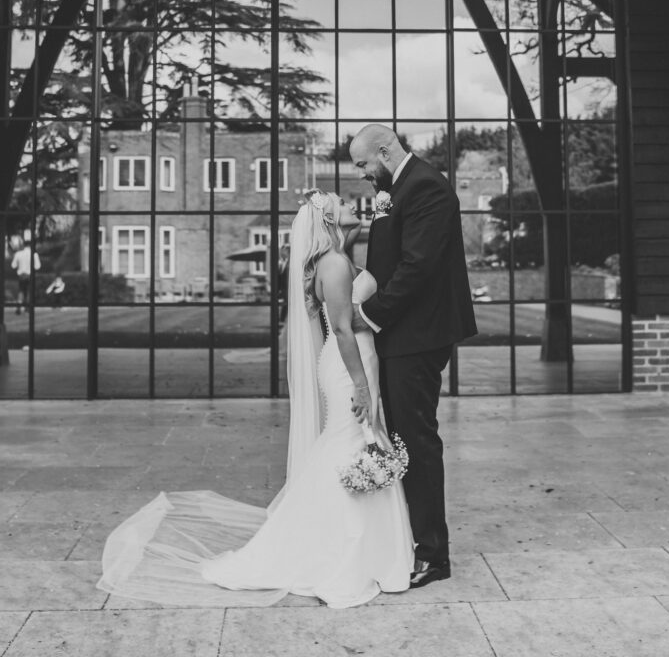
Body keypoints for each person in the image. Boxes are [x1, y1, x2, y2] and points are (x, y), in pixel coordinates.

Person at [98, 189, 413, 608]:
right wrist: (359, 384)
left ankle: (354, 544)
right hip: (346, 364)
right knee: (349, 443)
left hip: (354, 359)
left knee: (359, 441)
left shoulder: (337, 254)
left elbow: (354, 247)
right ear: (328, 221)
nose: (350, 203)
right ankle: (334, 548)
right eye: (341, 203)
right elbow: (340, 329)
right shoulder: (335, 264)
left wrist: (371, 220)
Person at [349, 124, 477, 589]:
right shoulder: (395, 186)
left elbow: (418, 265)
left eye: (364, 164)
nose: (363, 174)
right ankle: (409, 538)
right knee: (401, 434)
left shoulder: (426, 187)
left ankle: (433, 554)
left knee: (415, 440)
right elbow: (387, 260)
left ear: (385, 150)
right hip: (400, 334)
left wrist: (368, 314)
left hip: (418, 337)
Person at [11, 240, 41, 314]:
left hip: (21, 275)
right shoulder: (34, 254)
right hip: (30, 275)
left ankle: (19, 306)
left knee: (21, 291)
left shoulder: (18, 254)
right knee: (29, 291)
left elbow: (13, 265)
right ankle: (27, 307)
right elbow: (37, 266)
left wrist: (19, 265)